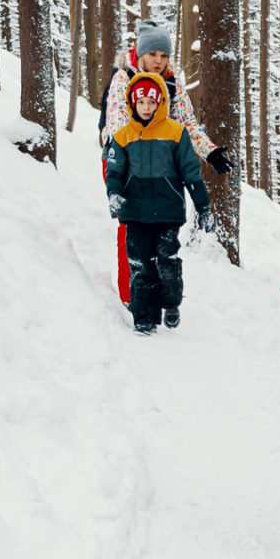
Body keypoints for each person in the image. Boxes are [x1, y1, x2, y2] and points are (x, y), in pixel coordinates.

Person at [101, 20, 228, 303]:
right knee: (131, 228)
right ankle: (131, 295)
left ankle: (154, 292)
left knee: (160, 229)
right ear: (140, 53)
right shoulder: (123, 78)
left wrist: (209, 151)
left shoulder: (172, 82)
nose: (158, 61)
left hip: (160, 164)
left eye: (163, 55)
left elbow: (187, 123)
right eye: (153, 55)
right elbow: (119, 126)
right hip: (124, 162)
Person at [105, 70, 211, 334]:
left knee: (166, 260)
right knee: (140, 265)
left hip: (167, 211)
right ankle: (144, 318)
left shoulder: (176, 133)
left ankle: (171, 303)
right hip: (135, 211)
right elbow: (115, 172)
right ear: (132, 103)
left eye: (151, 102)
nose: (145, 107)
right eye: (140, 102)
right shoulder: (123, 136)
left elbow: (191, 172)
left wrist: (203, 206)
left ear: (160, 102)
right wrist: (114, 194)